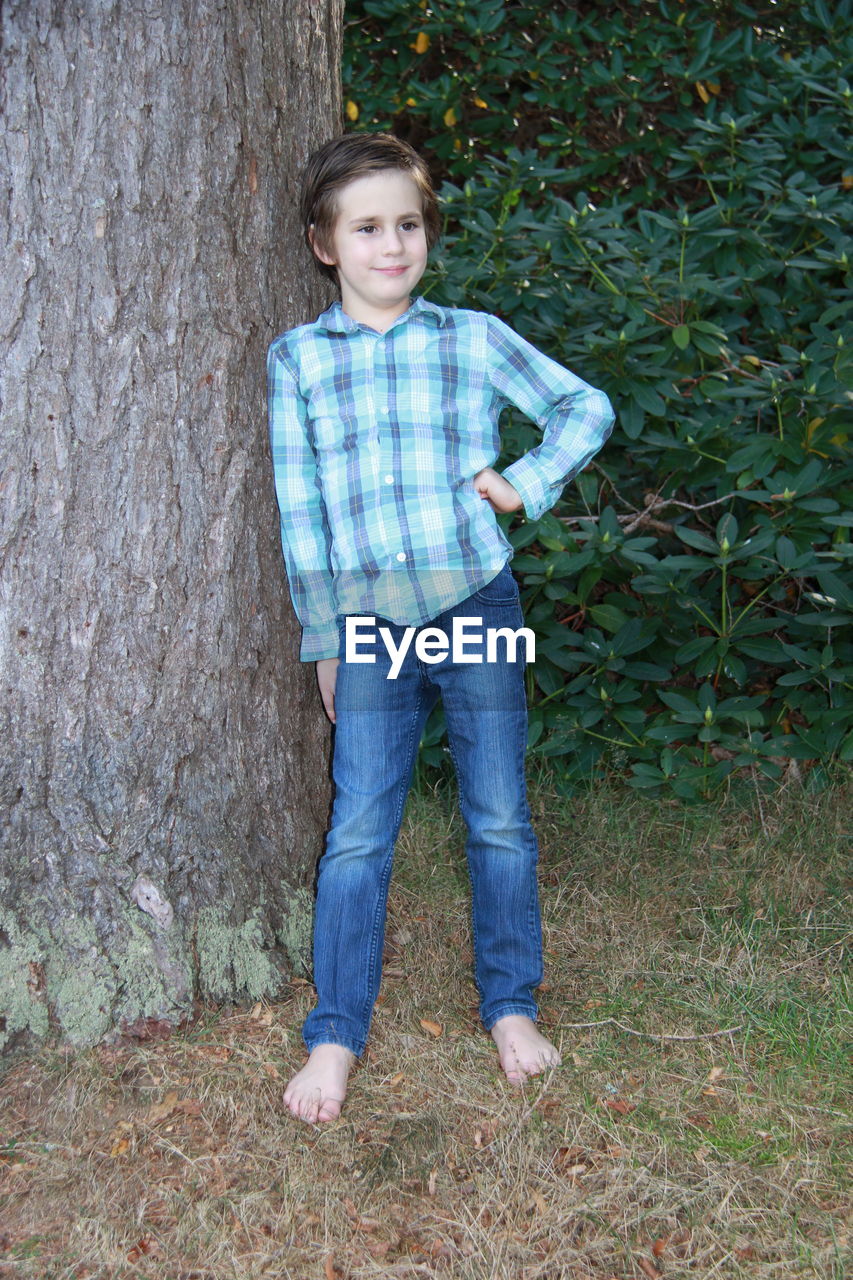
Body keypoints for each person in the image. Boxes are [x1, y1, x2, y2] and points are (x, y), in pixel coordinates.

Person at [267, 133, 614, 1124]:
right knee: (359, 827)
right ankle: (335, 1031)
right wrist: (324, 637)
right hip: (372, 619)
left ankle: (509, 1003)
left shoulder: (469, 336)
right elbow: (305, 515)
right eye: (367, 226)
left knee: (497, 810)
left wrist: (525, 482)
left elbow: (581, 408)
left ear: (429, 236)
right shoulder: (297, 360)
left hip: (477, 599)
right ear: (324, 243)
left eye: (408, 224)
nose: (392, 244)